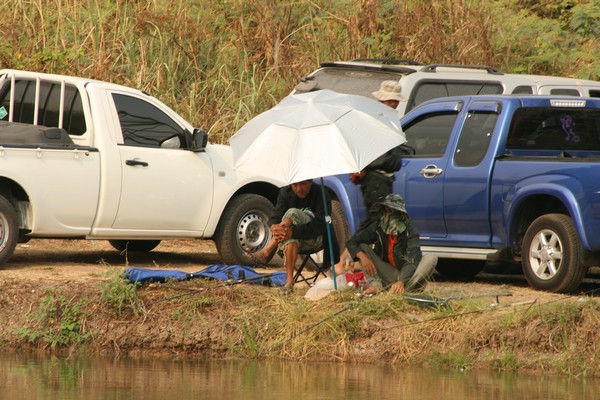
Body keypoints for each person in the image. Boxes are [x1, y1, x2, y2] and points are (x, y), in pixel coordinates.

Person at [335, 193, 437, 294]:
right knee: (362, 247)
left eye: (392, 211)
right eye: (386, 210)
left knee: (431, 258)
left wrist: (401, 281)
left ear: (400, 213)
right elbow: (352, 242)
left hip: (406, 274)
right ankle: (376, 285)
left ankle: (405, 291)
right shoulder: (378, 226)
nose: (388, 215)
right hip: (389, 273)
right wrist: (363, 257)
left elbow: (413, 258)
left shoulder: (410, 229)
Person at [250, 179, 338, 292]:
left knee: (293, 213)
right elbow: (275, 216)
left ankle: (267, 251)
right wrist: (274, 227)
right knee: (288, 238)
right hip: (294, 239)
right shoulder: (285, 193)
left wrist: (292, 232)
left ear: (310, 181)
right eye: (295, 185)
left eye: (303, 184)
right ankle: (289, 282)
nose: (299, 189)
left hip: (316, 238)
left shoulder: (321, 193)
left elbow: (320, 226)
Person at [350, 80, 414, 229]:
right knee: (374, 222)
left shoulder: (389, 119)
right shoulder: (374, 120)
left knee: (377, 222)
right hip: (375, 180)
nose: (393, 104)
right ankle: (351, 249)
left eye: (395, 101)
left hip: (383, 180)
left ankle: (356, 250)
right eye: (390, 101)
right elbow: (369, 150)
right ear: (381, 100)